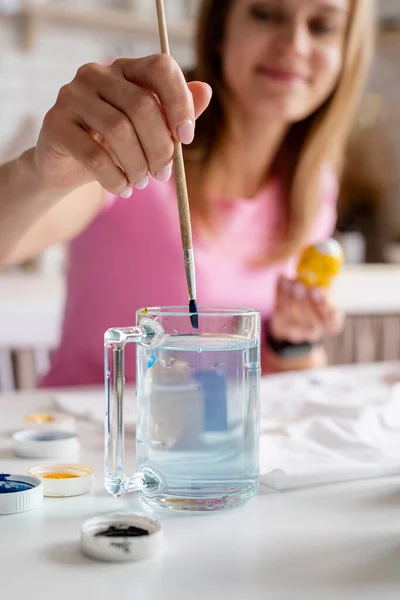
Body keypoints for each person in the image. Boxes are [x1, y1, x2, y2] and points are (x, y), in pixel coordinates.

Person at [0, 0, 375, 385]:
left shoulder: (313, 189)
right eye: (265, 14)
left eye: (322, 26)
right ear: (219, 31)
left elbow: (277, 382)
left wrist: (291, 341)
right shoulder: (141, 142)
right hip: (97, 436)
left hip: (213, 440)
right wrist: (40, 173)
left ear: (348, 50)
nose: (294, 44)